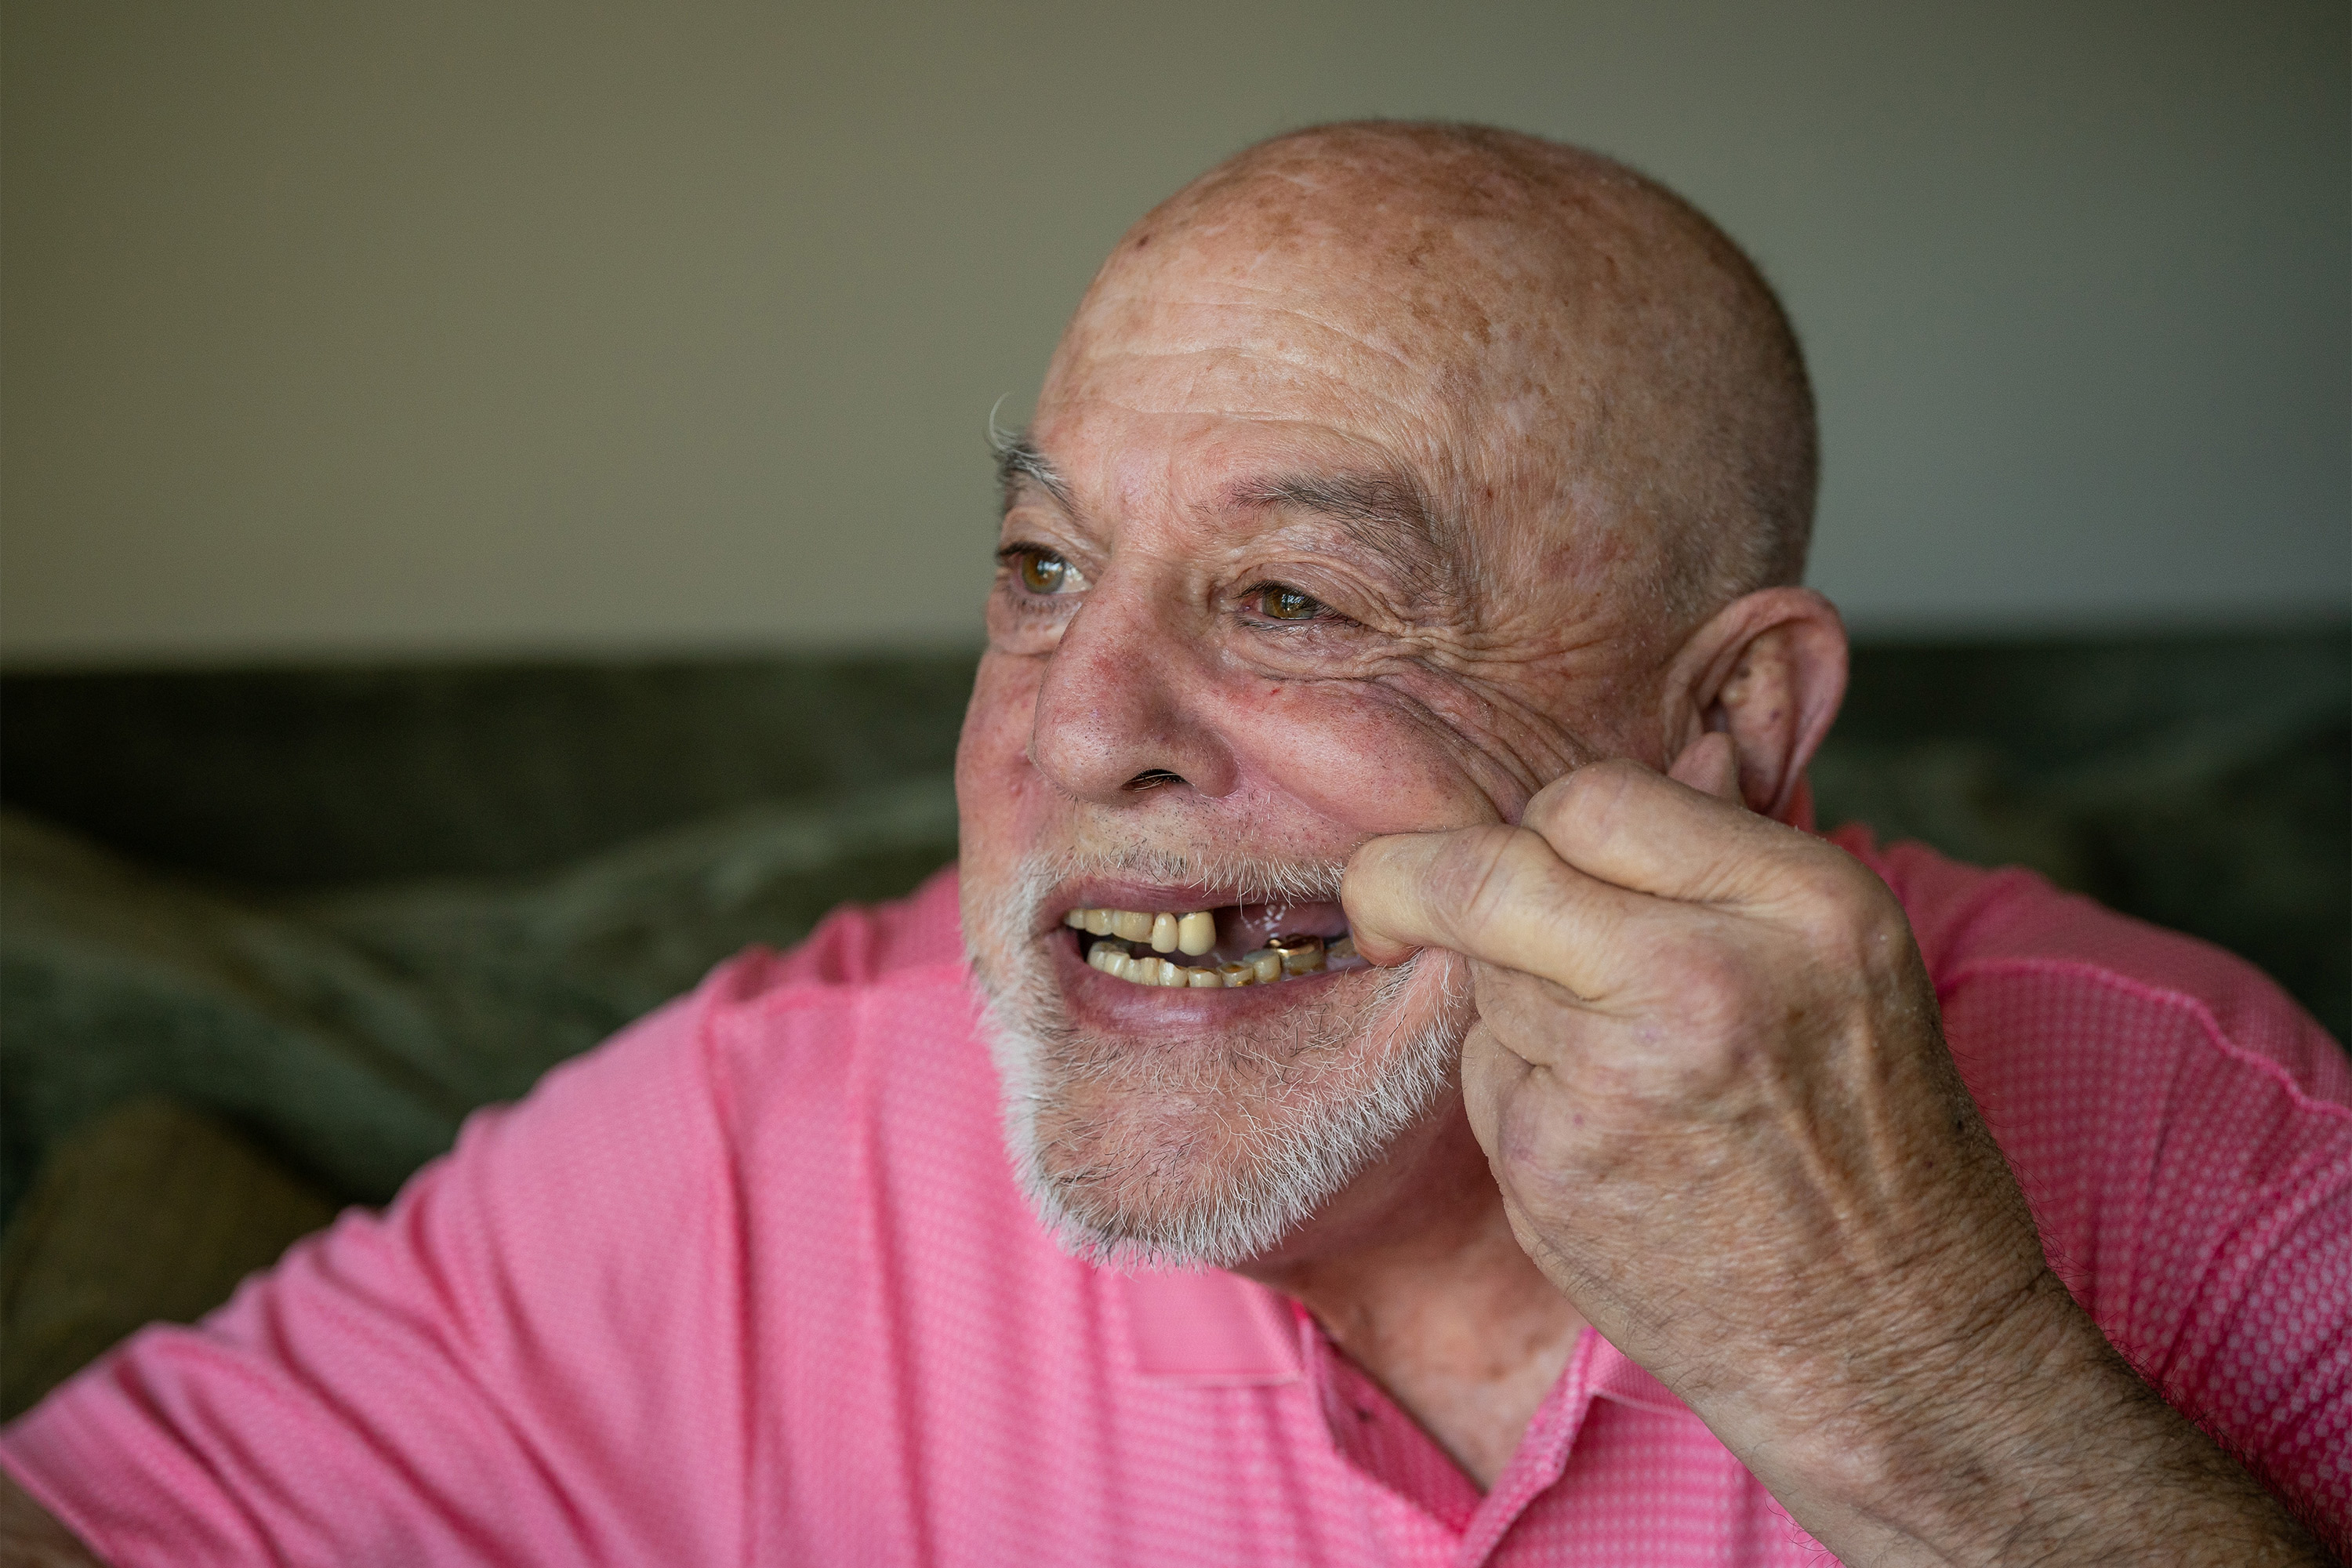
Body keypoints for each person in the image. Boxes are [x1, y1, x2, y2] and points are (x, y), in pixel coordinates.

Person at [4, 121, 2346, 1567]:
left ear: (1728, 725)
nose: (1077, 727)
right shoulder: (764, 1132)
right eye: (1042, 571)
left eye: (1295, 601)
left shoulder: (2191, 1135)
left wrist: (1918, 1377)